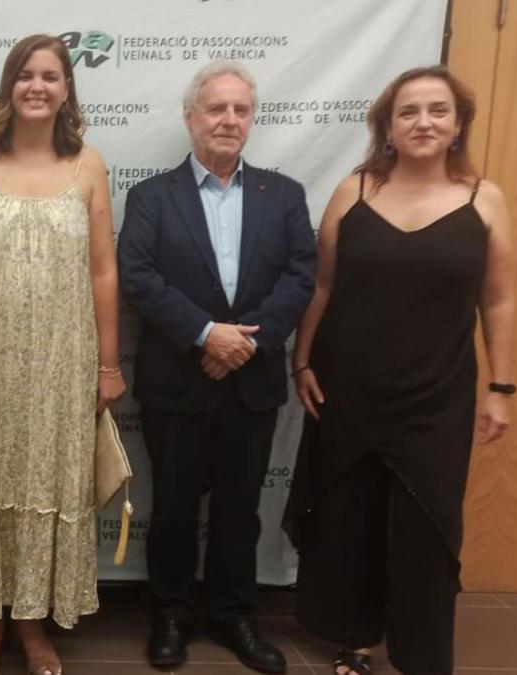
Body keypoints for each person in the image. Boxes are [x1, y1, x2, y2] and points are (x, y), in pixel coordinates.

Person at [283, 65, 514, 675]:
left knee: (426, 530)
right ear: (387, 126)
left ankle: (421, 653)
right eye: (408, 112)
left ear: (458, 123)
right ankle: (353, 638)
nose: (423, 122)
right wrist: (301, 360)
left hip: (438, 397)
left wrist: (501, 388)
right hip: (348, 388)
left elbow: (499, 300)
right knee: (350, 521)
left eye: (438, 110)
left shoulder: (483, 199)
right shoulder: (354, 190)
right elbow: (323, 287)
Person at [0, 34, 125, 675]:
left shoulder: (88, 165)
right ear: (9, 86)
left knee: (49, 484)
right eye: (26, 75)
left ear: (68, 89)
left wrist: (108, 364)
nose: (38, 86)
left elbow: (103, 272)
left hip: (62, 361)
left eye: (52, 76)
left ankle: (34, 624)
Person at [118, 60, 316, 672]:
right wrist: (207, 336)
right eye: (216, 108)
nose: (229, 120)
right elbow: (138, 276)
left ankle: (234, 614)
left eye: (240, 110)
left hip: (251, 382)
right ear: (190, 117)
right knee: (174, 507)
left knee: (239, 508)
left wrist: (243, 345)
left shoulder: (283, 195)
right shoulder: (151, 196)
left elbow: (301, 274)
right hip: (178, 381)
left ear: (251, 119)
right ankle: (172, 613)